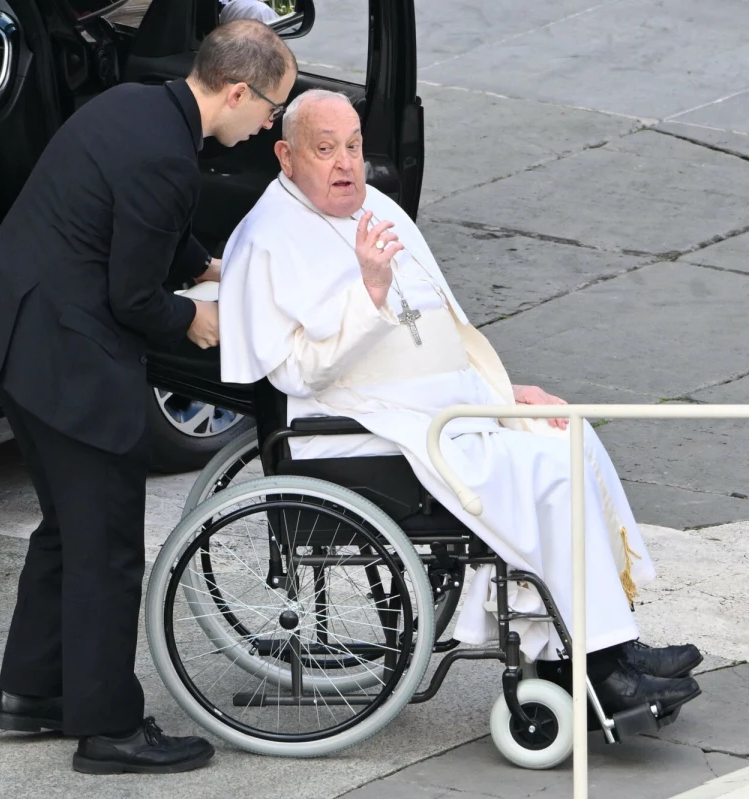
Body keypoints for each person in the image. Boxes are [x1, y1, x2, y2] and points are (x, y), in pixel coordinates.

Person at [214, 88, 703, 715]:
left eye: (355, 147)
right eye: (326, 149)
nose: (346, 164)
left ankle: (602, 648)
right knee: (544, 470)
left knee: (565, 435)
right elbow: (299, 373)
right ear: (286, 155)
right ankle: (598, 668)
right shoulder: (269, 237)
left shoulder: (376, 206)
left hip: (429, 408)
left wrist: (505, 393)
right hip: (357, 429)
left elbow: (443, 324)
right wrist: (369, 291)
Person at [0, 20, 298, 774]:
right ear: (238, 91)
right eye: (272, 110)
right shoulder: (167, 158)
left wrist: (205, 265)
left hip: (14, 331)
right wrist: (197, 320)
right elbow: (136, 297)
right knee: (106, 546)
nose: (269, 124)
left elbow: (140, 222)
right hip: (65, 358)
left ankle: (32, 692)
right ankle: (109, 727)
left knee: (65, 529)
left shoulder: (136, 107)